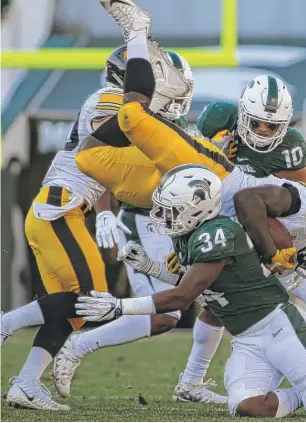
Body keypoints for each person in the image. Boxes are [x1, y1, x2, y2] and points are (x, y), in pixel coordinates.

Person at [75, 0, 306, 385]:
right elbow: (246, 202)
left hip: (190, 206)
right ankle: (138, 33)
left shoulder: (289, 250)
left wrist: (162, 262)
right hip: (210, 173)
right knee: (130, 117)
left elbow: (204, 272)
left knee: (89, 159)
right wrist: (274, 253)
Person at [75, 164, 306, 418]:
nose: (163, 217)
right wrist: (151, 267)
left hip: (280, 329)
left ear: (197, 208)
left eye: (171, 210)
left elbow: (183, 296)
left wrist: (120, 308)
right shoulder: (189, 235)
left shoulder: (218, 234)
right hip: (248, 338)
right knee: (247, 406)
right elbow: (199, 286)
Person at [1, 37, 193, 410]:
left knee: (74, 313)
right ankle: (7, 322)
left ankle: (26, 383)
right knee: (91, 299)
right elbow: (106, 153)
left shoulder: (121, 105)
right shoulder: (109, 99)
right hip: (60, 208)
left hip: (64, 210)